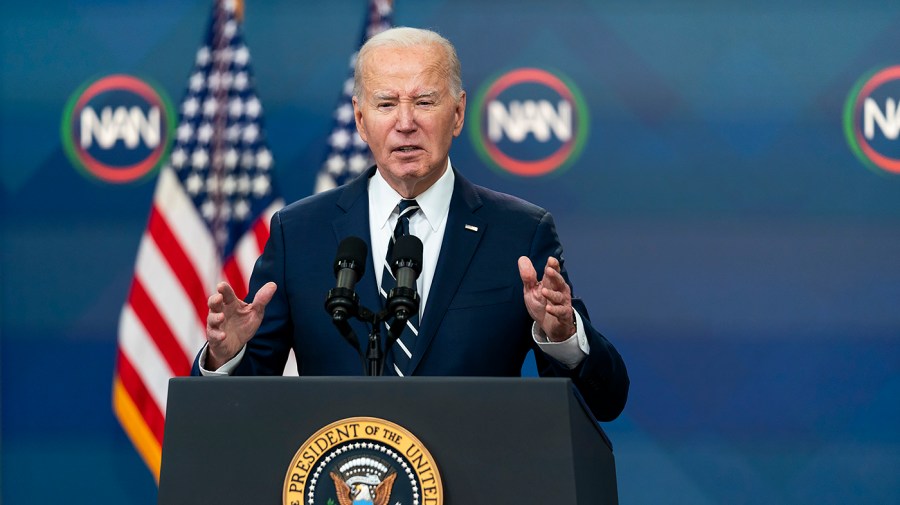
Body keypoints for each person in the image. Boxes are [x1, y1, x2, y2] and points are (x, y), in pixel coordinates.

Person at [193, 27, 628, 422]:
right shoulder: (299, 232)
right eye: (386, 104)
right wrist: (225, 357)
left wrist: (564, 338)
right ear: (361, 120)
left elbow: (604, 403)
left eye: (424, 102)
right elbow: (235, 411)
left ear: (457, 114)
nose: (405, 123)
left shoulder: (520, 232)